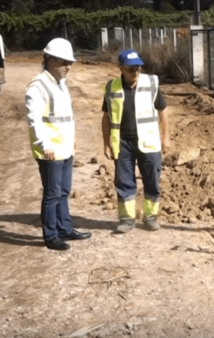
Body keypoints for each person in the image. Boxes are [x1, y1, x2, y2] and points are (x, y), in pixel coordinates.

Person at [25, 37, 91, 251]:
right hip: (50, 150)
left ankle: (65, 229)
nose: (68, 67)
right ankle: (50, 235)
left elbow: (65, 117)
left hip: (65, 147)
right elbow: (34, 119)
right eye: (64, 62)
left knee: (63, 191)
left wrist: (73, 140)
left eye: (69, 63)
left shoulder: (61, 84)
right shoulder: (38, 86)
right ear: (50, 60)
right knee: (52, 194)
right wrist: (44, 144)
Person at [101, 49, 170, 233]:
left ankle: (151, 217)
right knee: (124, 183)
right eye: (131, 69)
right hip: (122, 143)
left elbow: (162, 111)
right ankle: (127, 219)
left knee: (152, 181)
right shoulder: (111, 87)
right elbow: (106, 117)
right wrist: (106, 143)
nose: (136, 72)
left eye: (138, 67)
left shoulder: (151, 83)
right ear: (120, 68)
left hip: (149, 141)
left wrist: (166, 137)